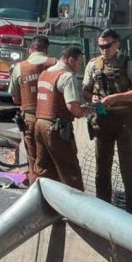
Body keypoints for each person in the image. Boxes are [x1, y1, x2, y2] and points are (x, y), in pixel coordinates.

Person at [82, 29, 132, 215]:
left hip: (124, 119)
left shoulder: (129, 63)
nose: (104, 50)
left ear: (117, 44)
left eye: (107, 46)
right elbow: (85, 89)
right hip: (103, 119)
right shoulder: (93, 64)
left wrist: (116, 98)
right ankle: (103, 209)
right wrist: (92, 97)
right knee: (102, 165)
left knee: (127, 165)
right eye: (101, 46)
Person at [33, 46, 88, 189]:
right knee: (69, 170)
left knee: (44, 168)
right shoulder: (67, 76)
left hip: (39, 124)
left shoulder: (45, 73)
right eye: (79, 62)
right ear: (71, 60)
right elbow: (73, 107)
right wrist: (85, 111)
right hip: (57, 128)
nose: (79, 66)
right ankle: (74, 206)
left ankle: (43, 205)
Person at [8, 35, 55, 177]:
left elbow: (15, 98)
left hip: (30, 117)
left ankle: (34, 192)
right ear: (46, 49)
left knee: (33, 159)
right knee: (51, 160)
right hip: (51, 119)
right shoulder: (54, 64)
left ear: (30, 50)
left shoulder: (20, 67)